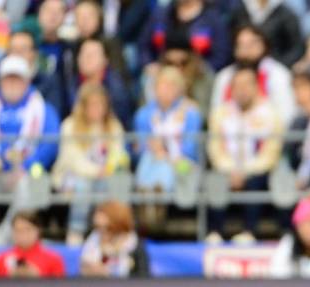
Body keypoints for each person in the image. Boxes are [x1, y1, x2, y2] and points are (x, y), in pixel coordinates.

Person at [206, 66, 282, 244]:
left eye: (247, 85)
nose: (242, 90)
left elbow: (271, 152)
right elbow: (214, 149)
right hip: (227, 169)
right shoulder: (221, 114)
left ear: (257, 86)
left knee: (255, 182)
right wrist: (231, 169)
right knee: (215, 180)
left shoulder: (270, 114)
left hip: (258, 169)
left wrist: (245, 171)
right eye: (237, 85)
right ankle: (214, 232)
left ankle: (249, 231)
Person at [0, 55, 60, 242]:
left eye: (17, 79)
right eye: (8, 78)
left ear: (27, 81)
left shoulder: (43, 108)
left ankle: (7, 237)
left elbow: (50, 145)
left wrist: (27, 166)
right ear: (0, 81)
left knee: (31, 184)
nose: (12, 83)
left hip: (33, 174)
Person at [52, 84, 128, 245]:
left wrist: (108, 168)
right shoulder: (70, 125)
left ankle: (114, 232)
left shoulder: (113, 126)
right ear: (83, 106)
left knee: (118, 183)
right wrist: (96, 171)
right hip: (71, 176)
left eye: (100, 104)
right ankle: (75, 233)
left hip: (104, 175)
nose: (97, 109)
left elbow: (118, 155)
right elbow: (72, 159)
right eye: (92, 104)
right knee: (83, 185)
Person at [132, 65, 202, 194]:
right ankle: (146, 192)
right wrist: (154, 150)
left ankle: (156, 194)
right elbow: (139, 147)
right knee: (149, 159)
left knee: (167, 165)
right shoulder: (144, 114)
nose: (166, 90)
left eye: (171, 86)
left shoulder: (190, 113)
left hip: (184, 164)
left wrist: (167, 156)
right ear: (155, 88)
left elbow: (191, 149)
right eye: (163, 85)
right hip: (153, 159)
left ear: (179, 89)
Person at [210, 25, 295, 127]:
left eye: (251, 44)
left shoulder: (278, 74)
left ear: (264, 45)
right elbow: (216, 113)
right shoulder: (225, 76)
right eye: (241, 45)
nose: (246, 50)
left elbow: (286, 114)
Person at [80, 200, 150, 278]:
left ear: (119, 227)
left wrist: (109, 274)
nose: (102, 233)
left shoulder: (135, 247)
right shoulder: (92, 243)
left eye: (108, 228)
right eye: (98, 227)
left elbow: (143, 278)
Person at [229, 0, 305, 67]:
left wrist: (280, 65)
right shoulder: (240, 11)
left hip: (276, 64)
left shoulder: (285, 14)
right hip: (241, 66)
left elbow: (296, 47)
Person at [0, 210, 65, 278]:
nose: (23, 235)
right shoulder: (1, 259)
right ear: (12, 232)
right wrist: (9, 277)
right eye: (18, 230)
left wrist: (38, 277)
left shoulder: (54, 259)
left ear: (38, 230)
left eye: (28, 229)